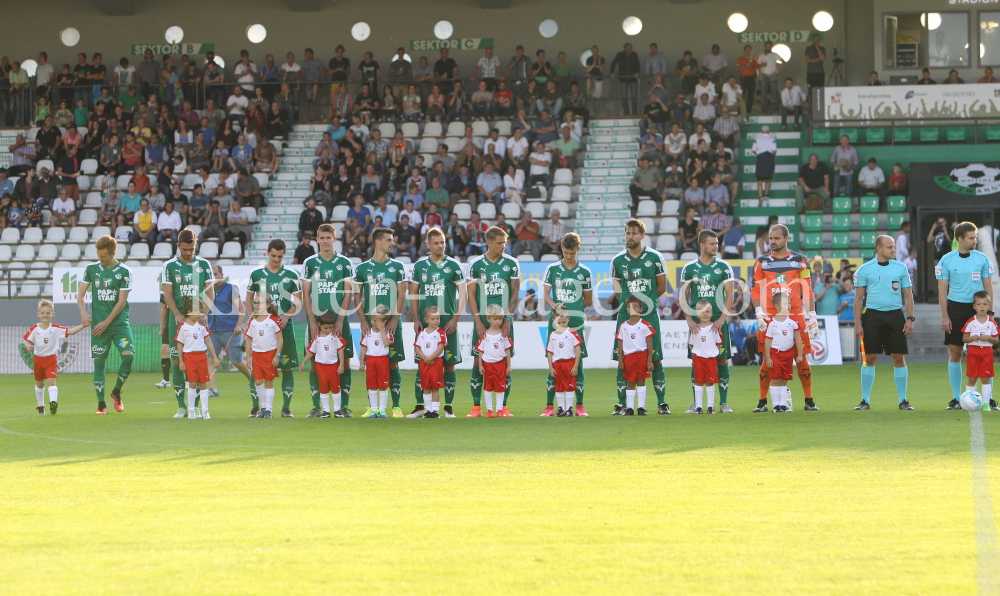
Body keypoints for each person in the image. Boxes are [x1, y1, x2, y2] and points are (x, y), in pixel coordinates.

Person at [751, 224, 819, 412]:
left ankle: (809, 400)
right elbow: (755, 289)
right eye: (770, 238)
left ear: (786, 238)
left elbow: (807, 288)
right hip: (770, 316)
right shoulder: (761, 262)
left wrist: (812, 315)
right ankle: (763, 402)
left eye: (776, 238)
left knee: (801, 357)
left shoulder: (801, 261)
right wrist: (759, 312)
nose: (772, 242)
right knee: (768, 359)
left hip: (795, 315)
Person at [611, 219, 670, 414]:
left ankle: (661, 403)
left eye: (635, 233)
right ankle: (621, 404)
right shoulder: (618, 260)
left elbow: (661, 287)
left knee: (656, 358)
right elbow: (618, 291)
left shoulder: (655, 257)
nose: (631, 236)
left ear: (642, 235)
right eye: (628, 233)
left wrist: (646, 304)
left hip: (649, 315)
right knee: (623, 358)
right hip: (625, 316)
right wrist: (631, 308)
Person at [408, 229, 467, 418]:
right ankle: (420, 406)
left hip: (447, 323)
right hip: (425, 325)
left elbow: (463, 294)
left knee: (449, 365)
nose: (440, 246)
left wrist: (456, 318)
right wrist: (416, 318)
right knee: (422, 364)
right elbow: (414, 294)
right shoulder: (420, 266)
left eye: (442, 242)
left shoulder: (454, 266)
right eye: (436, 243)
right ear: (428, 245)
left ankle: (447, 407)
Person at [853, 235, 916, 410]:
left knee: (898, 356)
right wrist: (858, 323)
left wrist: (910, 318)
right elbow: (858, 299)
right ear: (879, 249)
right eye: (889, 247)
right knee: (870, 357)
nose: (893, 250)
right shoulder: (864, 270)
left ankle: (903, 400)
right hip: (872, 316)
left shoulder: (901, 267)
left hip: (895, 316)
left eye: (894, 246)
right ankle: (865, 400)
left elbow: (908, 295)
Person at [937, 222, 996, 410]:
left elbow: (988, 287)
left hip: (977, 309)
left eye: (975, 237)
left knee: (984, 354)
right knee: (955, 354)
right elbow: (942, 289)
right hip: (955, 309)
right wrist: (945, 316)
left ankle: (988, 399)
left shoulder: (983, 259)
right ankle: (956, 398)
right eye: (971, 237)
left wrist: (990, 313)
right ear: (960, 239)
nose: (975, 240)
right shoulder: (946, 260)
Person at [301, 224, 356, 418]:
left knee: (345, 361)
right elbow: (306, 294)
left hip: (340, 321)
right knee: (316, 362)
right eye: (322, 237)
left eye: (328, 237)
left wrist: (341, 318)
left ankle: (343, 407)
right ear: (317, 239)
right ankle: (318, 407)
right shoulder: (309, 263)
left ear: (335, 239)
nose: (325, 241)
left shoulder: (344, 263)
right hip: (316, 322)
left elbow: (348, 293)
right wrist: (312, 322)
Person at [76, 235, 135, 415]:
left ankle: (116, 391)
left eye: (104, 256)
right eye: (98, 255)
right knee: (99, 364)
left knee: (128, 357)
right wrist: (84, 312)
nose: (100, 259)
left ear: (113, 253)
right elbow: (80, 295)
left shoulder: (125, 271)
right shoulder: (91, 269)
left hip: (118, 325)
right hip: (98, 327)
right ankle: (101, 405)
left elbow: (122, 301)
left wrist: (106, 322)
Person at [679, 230, 736, 413]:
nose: (716, 247)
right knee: (696, 360)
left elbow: (730, 295)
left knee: (721, 360)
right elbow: (683, 296)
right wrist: (688, 319)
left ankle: (723, 402)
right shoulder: (689, 268)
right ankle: (697, 403)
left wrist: (722, 318)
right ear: (702, 245)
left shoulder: (724, 266)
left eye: (717, 243)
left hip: (718, 322)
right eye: (712, 244)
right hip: (697, 324)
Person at [246, 239, 303, 418]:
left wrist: (286, 315)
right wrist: (252, 317)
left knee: (286, 368)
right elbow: (248, 298)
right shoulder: (256, 274)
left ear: (284, 254)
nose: (276, 259)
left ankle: (286, 408)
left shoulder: (292, 274)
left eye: (280, 256)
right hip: (261, 329)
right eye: (273, 256)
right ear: (267, 253)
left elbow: (298, 302)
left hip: (283, 328)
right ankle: (257, 407)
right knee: (257, 370)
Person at [354, 228, 408, 416]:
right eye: (389, 240)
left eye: (392, 240)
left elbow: (402, 294)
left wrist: (394, 318)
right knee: (372, 364)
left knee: (392, 364)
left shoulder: (398, 267)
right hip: (371, 326)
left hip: (392, 324)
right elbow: (357, 296)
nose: (393, 243)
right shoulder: (362, 269)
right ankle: (373, 408)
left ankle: (396, 406)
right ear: (377, 242)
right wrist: (362, 320)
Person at [467, 227, 520, 417]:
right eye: (499, 243)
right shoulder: (475, 265)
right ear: (488, 242)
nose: (503, 246)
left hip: (505, 321)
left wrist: (508, 318)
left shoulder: (512, 263)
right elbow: (471, 294)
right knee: (477, 361)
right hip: (482, 321)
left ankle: (502, 407)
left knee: (504, 362)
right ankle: (477, 406)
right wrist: (478, 321)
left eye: (504, 242)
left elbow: (515, 293)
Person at [540, 233, 593, 417]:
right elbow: (545, 294)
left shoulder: (585, 272)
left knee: (577, 363)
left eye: (571, 253)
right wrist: (554, 305)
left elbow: (588, 300)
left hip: (576, 323)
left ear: (578, 249)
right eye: (565, 253)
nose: (568, 256)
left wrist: (574, 310)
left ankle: (579, 406)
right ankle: (549, 407)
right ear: (561, 249)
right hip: (555, 324)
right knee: (554, 361)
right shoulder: (552, 268)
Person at [23, 299, 88, 415]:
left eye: (48, 313)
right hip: (38, 359)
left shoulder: (56, 328)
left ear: (52, 314)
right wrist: (28, 346)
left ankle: (53, 403)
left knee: (51, 382)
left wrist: (83, 325)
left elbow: (71, 331)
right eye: (42, 313)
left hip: (51, 359)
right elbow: (26, 340)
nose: (45, 315)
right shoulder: (35, 328)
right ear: (38, 315)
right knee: (40, 384)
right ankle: (41, 406)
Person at [175, 296, 220, 420]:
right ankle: (191, 411)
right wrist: (181, 360)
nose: (201, 314)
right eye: (198, 311)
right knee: (192, 384)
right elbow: (179, 344)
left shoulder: (202, 326)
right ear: (189, 312)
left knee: (203, 384)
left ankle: (205, 411)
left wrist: (215, 357)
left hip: (202, 357)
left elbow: (208, 341)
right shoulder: (183, 327)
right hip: (189, 357)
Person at [299, 312, 346, 419]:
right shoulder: (316, 337)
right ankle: (326, 411)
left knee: (336, 388)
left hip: (333, 366)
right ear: (319, 324)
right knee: (323, 388)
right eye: (326, 328)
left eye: (330, 327)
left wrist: (341, 364)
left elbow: (340, 350)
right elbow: (311, 351)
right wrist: (304, 361)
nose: (329, 330)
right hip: (320, 367)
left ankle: (337, 410)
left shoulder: (336, 336)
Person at [764, 292, 803, 413]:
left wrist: (800, 354)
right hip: (776, 354)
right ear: (777, 306)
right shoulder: (772, 323)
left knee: (784, 379)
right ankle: (775, 405)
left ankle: (782, 405)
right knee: (775, 379)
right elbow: (767, 341)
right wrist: (768, 357)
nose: (789, 305)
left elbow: (798, 339)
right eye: (786, 303)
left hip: (788, 354)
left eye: (790, 303)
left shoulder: (793, 322)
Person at [616, 295, 656, 416]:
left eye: (635, 306)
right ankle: (630, 408)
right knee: (630, 382)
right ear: (626, 310)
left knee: (641, 381)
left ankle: (641, 407)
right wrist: (621, 361)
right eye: (629, 307)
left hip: (641, 356)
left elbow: (650, 344)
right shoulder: (623, 326)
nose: (632, 309)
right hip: (629, 357)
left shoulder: (645, 325)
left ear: (641, 309)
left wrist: (649, 361)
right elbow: (620, 344)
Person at [245, 293, 283, 419]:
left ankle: (269, 410)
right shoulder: (252, 321)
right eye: (254, 303)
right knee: (257, 382)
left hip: (270, 355)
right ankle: (263, 407)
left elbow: (280, 339)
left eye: (259, 303)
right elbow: (249, 340)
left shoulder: (273, 320)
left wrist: (277, 355)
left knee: (269, 382)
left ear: (267, 305)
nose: (256, 305)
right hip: (256, 356)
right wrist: (248, 356)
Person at [474, 304, 514, 418]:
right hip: (488, 365)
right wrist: (481, 365)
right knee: (488, 388)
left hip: (500, 365)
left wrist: (508, 366)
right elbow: (481, 351)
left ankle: (499, 410)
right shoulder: (484, 335)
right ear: (488, 319)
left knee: (500, 388)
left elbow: (507, 351)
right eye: (495, 319)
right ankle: (489, 410)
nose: (498, 321)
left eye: (500, 319)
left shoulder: (504, 335)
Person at [963, 292, 999, 409]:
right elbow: (964, 338)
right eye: (979, 304)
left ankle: (986, 403)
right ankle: (968, 401)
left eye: (984, 304)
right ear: (974, 306)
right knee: (972, 377)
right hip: (973, 351)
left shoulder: (991, 323)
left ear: (989, 305)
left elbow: (996, 340)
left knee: (985, 377)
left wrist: (989, 338)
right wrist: (971, 338)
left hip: (986, 352)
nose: (982, 307)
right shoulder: (970, 322)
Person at [688, 300, 723, 414]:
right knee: (698, 381)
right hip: (698, 358)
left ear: (712, 313)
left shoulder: (715, 328)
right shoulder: (695, 329)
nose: (705, 314)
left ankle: (710, 406)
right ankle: (698, 407)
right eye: (702, 311)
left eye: (707, 311)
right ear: (697, 314)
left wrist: (712, 352)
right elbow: (692, 344)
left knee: (709, 382)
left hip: (711, 358)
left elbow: (719, 343)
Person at [545, 310, 583, 417]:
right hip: (557, 364)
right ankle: (561, 409)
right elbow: (550, 352)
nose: (562, 325)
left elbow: (577, 350)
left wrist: (575, 366)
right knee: (559, 387)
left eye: (564, 322)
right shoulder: (552, 335)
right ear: (554, 321)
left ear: (568, 319)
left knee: (570, 387)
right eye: (559, 322)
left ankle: (569, 409)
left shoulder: (572, 333)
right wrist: (551, 367)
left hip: (569, 363)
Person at [358, 304, 393, 418]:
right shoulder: (368, 333)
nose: (374, 323)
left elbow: (387, 343)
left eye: (377, 321)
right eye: (373, 320)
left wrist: (382, 330)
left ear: (384, 322)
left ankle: (382, 410)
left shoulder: (387, 332)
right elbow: (364, 348)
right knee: (372, 385)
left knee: (383, 385)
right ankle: (374, 410)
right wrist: (362, 362)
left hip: (382, 361)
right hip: (371, 360)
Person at [752, 125, 777, 199]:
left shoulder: (757, 139)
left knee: (759, 179)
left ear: (762, 131)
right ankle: (766, 194)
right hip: (769, 158)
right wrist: (772, 156)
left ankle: (760, 196)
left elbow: (753, 150)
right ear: (769, 131)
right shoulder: (772, 139)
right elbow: (774, 150)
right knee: (768, 178)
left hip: (760, 159)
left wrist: (758, 155)